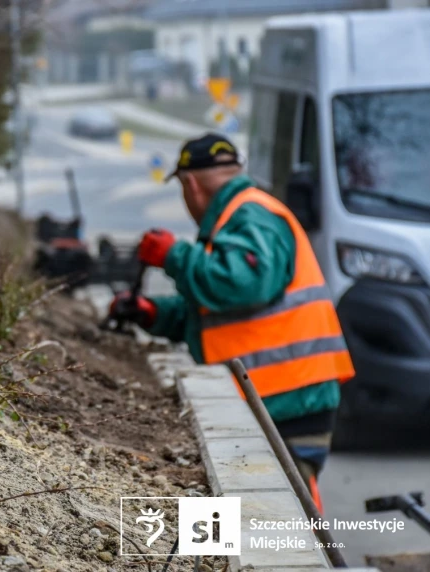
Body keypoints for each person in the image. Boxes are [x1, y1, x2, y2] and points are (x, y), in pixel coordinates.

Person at [109, 133, 355, 513]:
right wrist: (153, 313)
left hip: (289, 396)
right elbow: (223, 316)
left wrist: (174, 255)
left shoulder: (250, 213)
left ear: (190, 184)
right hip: (283, 393)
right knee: (283, 507)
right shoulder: (240, 217)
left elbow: (241, 284)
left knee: (287, 512)